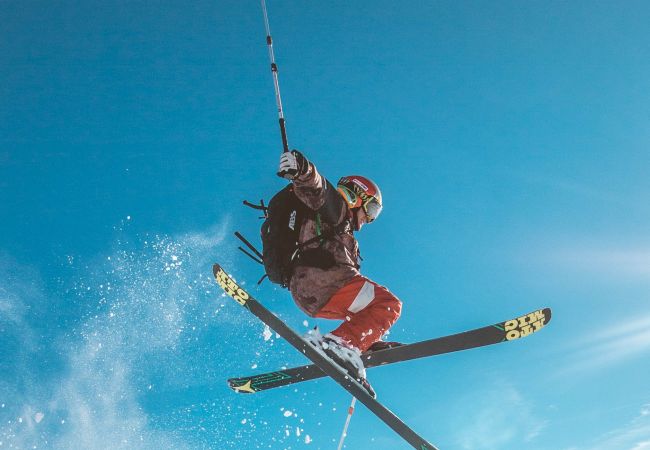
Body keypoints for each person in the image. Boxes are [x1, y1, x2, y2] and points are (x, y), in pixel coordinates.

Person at [278, 149, 402, 396]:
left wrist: (370, 338)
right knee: (389, 304)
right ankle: (342, 343)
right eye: (371, 210)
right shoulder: (335, 208)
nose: (368, 220)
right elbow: (316, 187)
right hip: (325, 281)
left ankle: (360, 341)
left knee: (369, 307)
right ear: (356, 196)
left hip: (311, 292)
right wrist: (302, 168)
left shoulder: (344, 231)